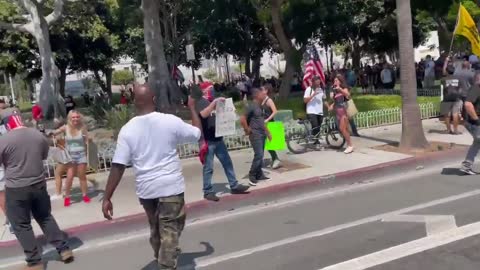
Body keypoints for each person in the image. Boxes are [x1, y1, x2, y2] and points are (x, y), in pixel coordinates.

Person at [102, 85, 201, 269]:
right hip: (170, 188)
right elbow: (196, 134)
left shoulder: (127, 130)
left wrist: (107, 197)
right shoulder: (170, 121)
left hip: (147, 191)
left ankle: (160, 256)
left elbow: (118, 166)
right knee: (170, 230)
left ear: (134, 103)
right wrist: (193, 108)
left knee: (156, 228)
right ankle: (166, 264)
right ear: (154, 100)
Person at [0, 109, 73, 269]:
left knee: (21, 224)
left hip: (16, 188)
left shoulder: (4, 140)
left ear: (6, 123)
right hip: (39, 184)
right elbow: (43, 155)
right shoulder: (37, 135)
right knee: (45, 217)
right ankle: (64, 249)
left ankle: (34, 261)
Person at [194, 83, 250, 201]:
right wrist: (214, 104)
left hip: (218, 138)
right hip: (208, 140)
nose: (212, 91)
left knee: (227, 163)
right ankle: (208, 191)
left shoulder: (214, 101)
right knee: (208, 167)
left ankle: (234, 185)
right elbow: (202, 115)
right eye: (210, 89)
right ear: (204, 91)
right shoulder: (200, 102)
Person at [50, 111, 91, 207]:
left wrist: (88, 142)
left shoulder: (83, 128)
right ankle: (67, 196)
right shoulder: (66, 127)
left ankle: (85, 195)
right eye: (73, 117)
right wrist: (50, 133)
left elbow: (87, 141)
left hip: (81, 155)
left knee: (82, 176)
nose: (75, 119)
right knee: (70, 176)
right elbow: (55, 133)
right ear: (69, 118)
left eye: (77, 117)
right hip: (70, 156)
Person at [241, 88, 272, 186]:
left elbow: (261, 121)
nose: (264, 95)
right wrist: (247, 129)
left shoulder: (260, 106)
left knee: (261, 155)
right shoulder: (251, 106)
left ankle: (259, 174)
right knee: (258, 155)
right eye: (262, 94)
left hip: (262, 134)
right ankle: (252, 175)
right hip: (255, 134)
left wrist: (268, 132)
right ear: (256, 95)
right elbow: (242, 119)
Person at [460, 72, 480, 175]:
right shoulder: (475, 88)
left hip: (474, 122)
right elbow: (467, 104)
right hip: (474, 123)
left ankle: (466, 166)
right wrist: (477, 120)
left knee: (477, 143)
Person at [328, 74, 354, 154]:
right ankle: (348, 144)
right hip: (337, 111)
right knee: (343, 129)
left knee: (343, 129)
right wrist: (332, 100)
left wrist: (340, 89)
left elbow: (347, 95)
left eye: (336, 80)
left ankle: (350, 145)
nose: (335, 82)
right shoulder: (334, 90)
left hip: (344, 111)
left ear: (340, 81)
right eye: (334, 81)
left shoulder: (343, 88)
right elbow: (335, 101)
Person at [262, 83, 282, 169]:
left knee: (269, 143)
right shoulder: (262, 100)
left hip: (269, 123)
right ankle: (275, 158)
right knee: (266, 144)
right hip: (263, 124)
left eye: (262, 89)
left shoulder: (269, 100)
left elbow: (275, 111)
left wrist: (267, 119)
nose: (260, 91)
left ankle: (276, 159)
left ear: (266, 91)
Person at [304, 76, 327, 146]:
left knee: (318, 127)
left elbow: (324, 99)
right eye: (316, 81)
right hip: (311, 111)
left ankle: (316, 140)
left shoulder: (321, 89)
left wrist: (328, 107)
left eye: (319, 81)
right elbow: (305, 100)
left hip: (319, 111)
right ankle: (315, 140)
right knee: (315, 125)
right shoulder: (309, 89)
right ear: (313, 82)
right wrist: (313, 95)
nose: (318, 83)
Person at [440, 64, 463, 135]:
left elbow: (443, 86)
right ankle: (456, 130)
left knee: (446, 115)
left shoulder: (443, 79)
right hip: (456, 98)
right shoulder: (458, 79)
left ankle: (448, 130)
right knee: (455, 114)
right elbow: (460, 88)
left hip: (446, 99)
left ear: (447, 71)